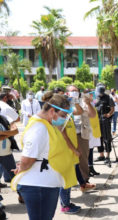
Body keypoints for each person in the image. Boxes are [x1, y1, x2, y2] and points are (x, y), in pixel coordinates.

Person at [11, 92, 78, 220]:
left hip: (45, 185)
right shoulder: (39, 128)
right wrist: (21, 168)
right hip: (39, 187)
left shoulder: (47, 124)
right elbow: (27, 159)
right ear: (52, 111)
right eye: (63, 115)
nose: (64, 119)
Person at [94, 84, 115, 165]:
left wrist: (109, 114)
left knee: (107, 138)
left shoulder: (108, 98)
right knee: (99, 138)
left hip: (105, 121)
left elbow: (112, 108)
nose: (99, 94)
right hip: (97, 121)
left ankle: (107, 156)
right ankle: (101, 155)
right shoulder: (96, 98)